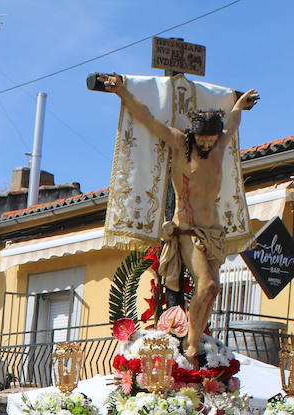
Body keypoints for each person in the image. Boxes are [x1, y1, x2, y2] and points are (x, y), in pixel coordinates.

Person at [99, 72, 259, 360]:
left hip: (214, 232)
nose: (207, 145)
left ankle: (194, 338)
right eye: (203, 140)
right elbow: (147, 118)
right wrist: (122, 92)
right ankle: (192, 344)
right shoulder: (179, 143)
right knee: (207, 284)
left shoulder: (220, 144)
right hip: (188, 230)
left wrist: (238, 105)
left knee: (213, 291)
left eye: (211, 139)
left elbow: (233, 122)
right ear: (194, 134)